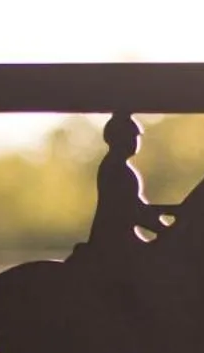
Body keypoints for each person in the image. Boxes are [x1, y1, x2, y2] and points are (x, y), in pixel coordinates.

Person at [68, 112, 177, 274]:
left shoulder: (119, 167)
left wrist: (173, 212)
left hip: (119, 235)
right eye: (132, 138)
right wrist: (164, 229)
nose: (135, 143)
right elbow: (128, 210)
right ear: (120, 139)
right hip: (115, 238)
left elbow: (137, 205)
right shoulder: (116, 169)